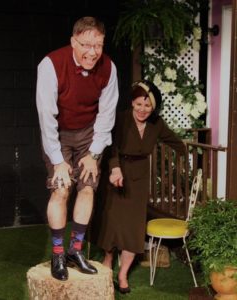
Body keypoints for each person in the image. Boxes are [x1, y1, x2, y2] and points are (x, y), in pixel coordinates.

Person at [36, 16, 119, 281]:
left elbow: (107, 115)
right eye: (85, 45)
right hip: (58, 132)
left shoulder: (109, 68)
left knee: (86, 187)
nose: (92, 52)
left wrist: (94, 154)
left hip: (89, 133)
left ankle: (75, 250)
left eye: (98, 45)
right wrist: (58, 159)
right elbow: (46, 117)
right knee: (62, 188)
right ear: (73, 42)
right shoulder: (50, 65)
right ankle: (58, 253)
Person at [97, 80, 186, 293]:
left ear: (153, 107)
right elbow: (111, 147)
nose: (142, 110)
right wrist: (115, 168)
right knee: (112, 225)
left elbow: (175, 142)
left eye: (147, 106)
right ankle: (108, 262)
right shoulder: (121, 118)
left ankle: (123, 274)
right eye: (138, 104)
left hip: (139, 179)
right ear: (132, 103)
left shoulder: (157, 124)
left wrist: (188, 159)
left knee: (133, 228)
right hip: (116, 174)